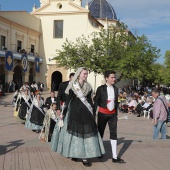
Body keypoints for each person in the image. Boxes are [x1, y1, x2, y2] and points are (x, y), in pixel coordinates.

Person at [51, 67, 105, 167]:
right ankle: (74, 153)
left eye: (87, 74)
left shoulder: (88, 86)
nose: (86, 75)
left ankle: (85, 157)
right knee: (74, 135)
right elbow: (67, 99)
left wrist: (92, 112)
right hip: (73, 110)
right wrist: (61, 110)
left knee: (85, 133)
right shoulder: (72, 85)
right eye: (84, 74)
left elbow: (89, 101)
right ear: (79, 74)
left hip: (85, 112)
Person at [93, 70, 125, 163]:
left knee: (114, 133)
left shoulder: (116, 89)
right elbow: (96, 101)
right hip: (102, 113)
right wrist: (94, 114)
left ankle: (115, 157)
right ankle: (99, 152)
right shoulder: (100, 89)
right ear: (106, 78)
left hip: (112, 114)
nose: (114, 79)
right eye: (112, 77)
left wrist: (116, 115)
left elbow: (116, 102)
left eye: (114, 77)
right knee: (100, 132)